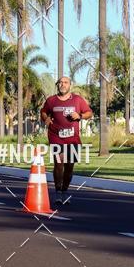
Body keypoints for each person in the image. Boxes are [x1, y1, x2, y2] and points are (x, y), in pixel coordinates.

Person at [40, 76, 93, 205]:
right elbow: (43, 111)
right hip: (56, 136)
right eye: (60, 83)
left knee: (69, 167)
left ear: (70, 85)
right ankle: (58, 192)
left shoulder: (77, 100)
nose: (63, 85)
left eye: (65, 82)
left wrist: (79, 116)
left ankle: (65, 190)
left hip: (72, 139)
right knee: (59, 163)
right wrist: (46, 118)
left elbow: (89, 113)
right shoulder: (51, 100)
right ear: (57, 85)